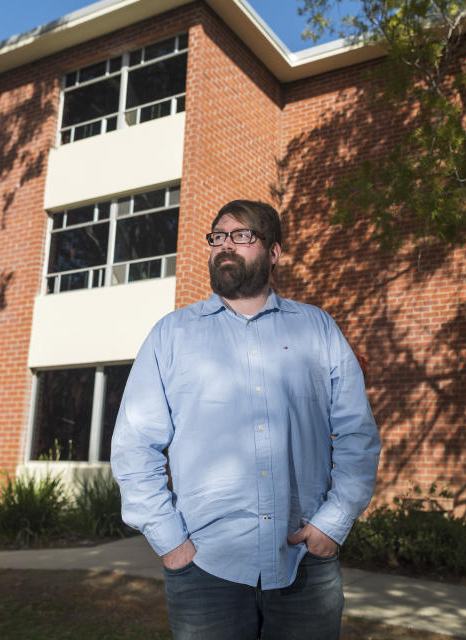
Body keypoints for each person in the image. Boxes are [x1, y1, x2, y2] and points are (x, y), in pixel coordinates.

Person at [111, 199, 381, 640]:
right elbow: (134, 445)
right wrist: (171, 543)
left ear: (273, 252)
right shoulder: (171, 335)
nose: (225, 246)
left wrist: (334, 521)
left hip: (305, 566)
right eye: (218, 237)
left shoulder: (317, 329)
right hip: (204, 570)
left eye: (242, 235)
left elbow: (357, 435)